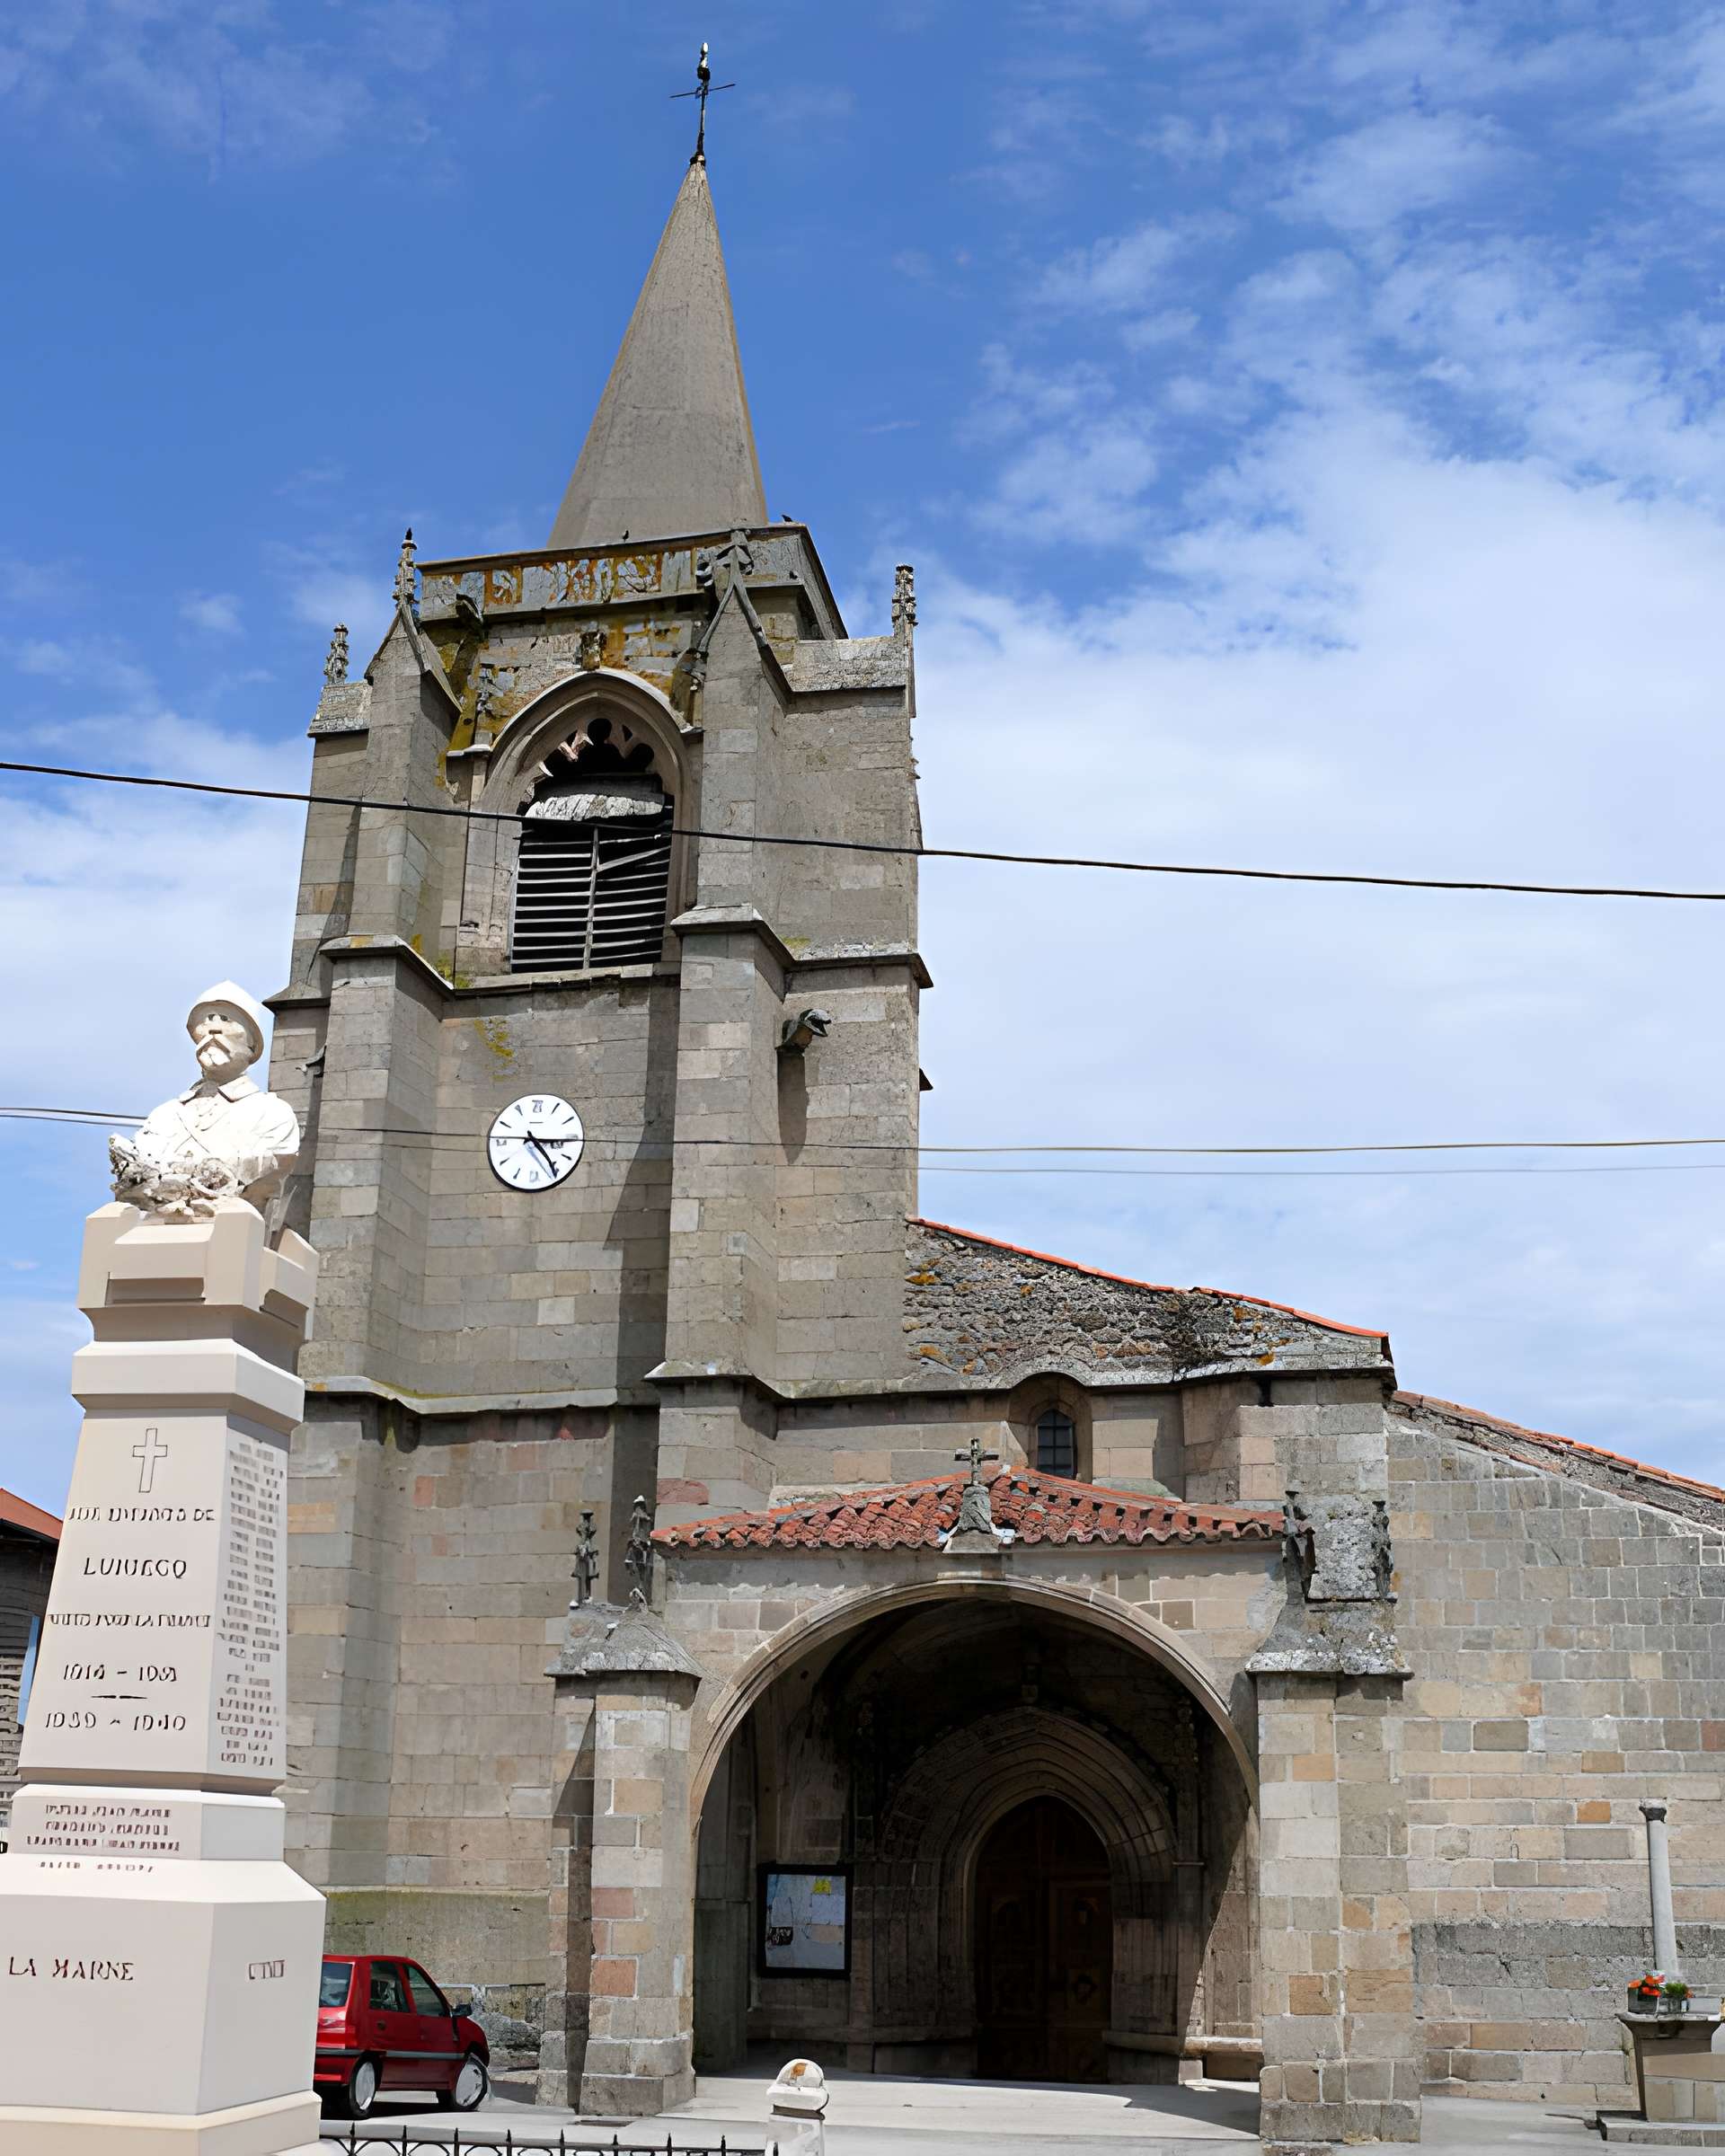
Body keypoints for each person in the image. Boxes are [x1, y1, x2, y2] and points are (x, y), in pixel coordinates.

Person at [110, 981, 300, 1219]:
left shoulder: (273, 1112)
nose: (214, 1029)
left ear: (252, 1045)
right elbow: (142, 1168)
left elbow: (272, 1160)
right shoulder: (165, 1115)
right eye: (207, 1020)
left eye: (226, 1020)